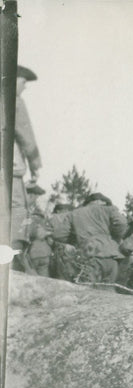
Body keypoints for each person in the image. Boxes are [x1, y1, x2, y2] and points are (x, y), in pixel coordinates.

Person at [49, 192, 127, 283]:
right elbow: (122, 223)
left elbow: (58, 235)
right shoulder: (109, 210)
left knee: (88, 291)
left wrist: (76, 239)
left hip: (90, 257)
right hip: (112, 258)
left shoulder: (74, 213)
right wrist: (115, 237)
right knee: (108, 292)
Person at [11, 65, 43, 272]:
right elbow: (26, 136)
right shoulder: (13, 101)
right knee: (15, 211)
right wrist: (35, 165)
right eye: (23, 82)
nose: (24, 88)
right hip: (9, 170)